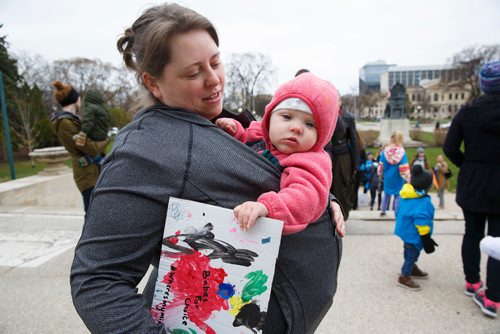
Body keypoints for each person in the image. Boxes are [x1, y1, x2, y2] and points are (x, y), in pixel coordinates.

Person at [70, 4, 345, 333]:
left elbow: (267, 170)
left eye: (216, 62)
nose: (214, 80)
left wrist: (323, 199)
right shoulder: (143, 152)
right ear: (153, 83)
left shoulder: (219, 120)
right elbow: (99, 280)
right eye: (193, 72)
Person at [215, 73, 339, 233]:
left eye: (310, 124)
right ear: (269, 118)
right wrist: (234, 130)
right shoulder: (260, 133)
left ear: (322, 136)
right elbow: (246, 138)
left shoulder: (310, 161)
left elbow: (305, 197)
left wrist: (267, 206)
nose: (296, 128)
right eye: (287, 116)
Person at [443, 60, 500, 318]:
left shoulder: (467, 113)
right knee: (498, 239)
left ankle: (473, 281)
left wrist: (468, 163)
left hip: (474, 179)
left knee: (472, 233)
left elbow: (450, 148)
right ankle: (494, 296)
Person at [50, 81, 110, 213]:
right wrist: (107, 139)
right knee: (91, 214)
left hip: (93, 171)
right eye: (79, 98)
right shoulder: (65, 123)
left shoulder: (72, 120)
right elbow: (90, 148)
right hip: (86, 175)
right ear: (75, 100)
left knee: (97, 214)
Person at [395, 164, 437, 291]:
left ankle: (412, 268)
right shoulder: (423, 202)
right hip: (414, 234)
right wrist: (426, 239)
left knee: (408, 251)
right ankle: (405, 275)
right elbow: (422, 222)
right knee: (412, 254)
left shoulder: (406, 194)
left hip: (405, 231)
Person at [325, 104, 359, 219]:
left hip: (342, 156)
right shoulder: (324, 112)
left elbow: (354, 141)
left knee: (342, 187)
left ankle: (342, 216)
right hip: (326, 154)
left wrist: (355, 164)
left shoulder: (348, 117)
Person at [377, 130, 410, 216]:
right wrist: (407, 178)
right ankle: (396, 212)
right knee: (398, 195)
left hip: (387, 176)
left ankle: (383, 210)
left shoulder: (385, 151)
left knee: (386, 194)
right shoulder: (402, 152)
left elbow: (381, 164)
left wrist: (380, 173)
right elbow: (404, 167)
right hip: (398, 177)